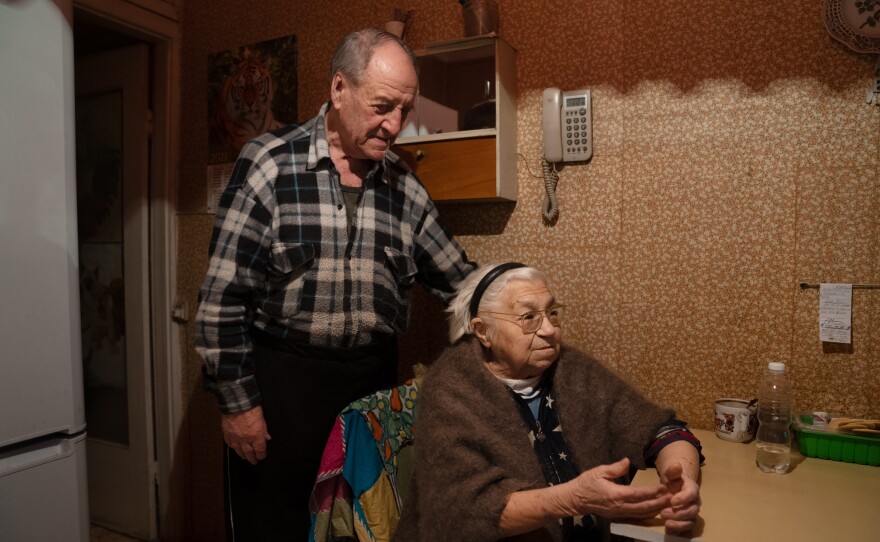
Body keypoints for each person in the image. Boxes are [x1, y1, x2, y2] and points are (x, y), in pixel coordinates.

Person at [195, 28, 476, 541]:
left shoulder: (405, 187)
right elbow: (221, 300)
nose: (395, 126)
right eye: (383, 106)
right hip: (280, 392)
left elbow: (461, 281)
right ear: (340, 88)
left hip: (369, 392)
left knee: (361, 531)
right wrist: (238, 407)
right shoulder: (268, 163)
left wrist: (519, 298)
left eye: (405, 111)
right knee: (274, 531)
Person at [394, 263, 703, 541]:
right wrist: (573, 498)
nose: (549, 330)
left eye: (552, 313)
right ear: (483, 331)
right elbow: (461, 513)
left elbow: (660, 430)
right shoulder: (451, 388)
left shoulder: (573, 369)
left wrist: (682, 482)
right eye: (529, 317)